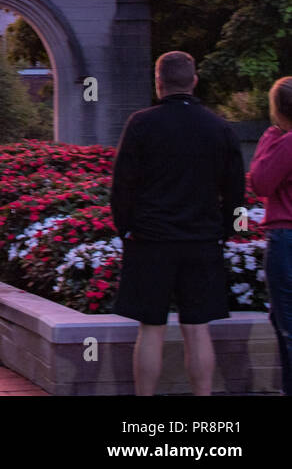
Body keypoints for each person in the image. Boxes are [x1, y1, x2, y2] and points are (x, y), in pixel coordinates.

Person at [110, 51, 246, 396]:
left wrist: (125, 228)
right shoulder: (219, 127)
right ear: (194, 81)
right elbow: (235, 191)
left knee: (151, 329)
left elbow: (122, 185)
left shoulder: (140, 124)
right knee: (198, 328)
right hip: (201, 241)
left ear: (158, 83)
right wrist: (225, 232)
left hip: (151, 240)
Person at [250, 76, 292, 395]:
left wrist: (268, 137)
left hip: (287, 239)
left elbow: (260, 183)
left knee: (287, 325)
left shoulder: (285, 143)